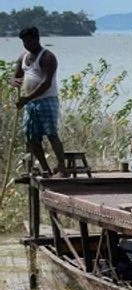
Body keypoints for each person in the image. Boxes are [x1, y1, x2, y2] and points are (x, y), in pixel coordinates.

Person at [11, 26, 67, 178]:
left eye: (29, 41)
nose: (27, 44)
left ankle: (62, 168)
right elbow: (16, 76)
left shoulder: (47, 57)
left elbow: (46, 83)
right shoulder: (23, 57)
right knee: (31, 136)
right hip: (30, 103)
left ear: (37, 39)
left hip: (47, 100)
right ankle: (45, 169)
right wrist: (14, 82)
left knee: (51, 134)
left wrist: (27, 98)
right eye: (24, 42)